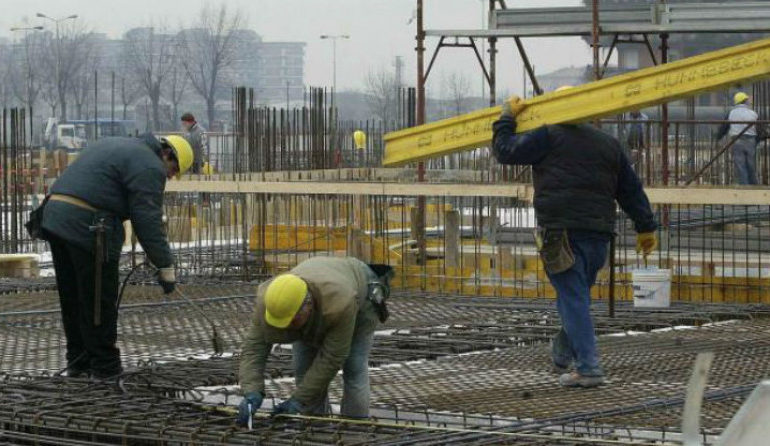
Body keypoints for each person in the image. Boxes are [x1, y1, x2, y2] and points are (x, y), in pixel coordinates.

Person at [491, 92, 658, 388]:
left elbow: (505, 151)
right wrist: (646, 226)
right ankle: (563, 353)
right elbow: (631, 190)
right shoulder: (609, 144)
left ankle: (589, 368)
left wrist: (506, 118)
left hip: (561, 232)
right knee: (576, 295)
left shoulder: (549, 135)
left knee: (573, 298)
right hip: (599, 235)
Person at [39, 134, 194, 379]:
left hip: (55, 217)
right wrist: (165, 265)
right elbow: (147, 222)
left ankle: (78, 362)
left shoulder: (116, 144)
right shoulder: (150, 165)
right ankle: (104, 366)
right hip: (88, 226)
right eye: (173, 170)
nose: (170, 176)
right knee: (99, 299)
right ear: (167, 154)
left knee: (74, 297)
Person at [237, 257, 393, 425]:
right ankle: (316, 428)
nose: (287, 327)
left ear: (307, 305)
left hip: (362, 295)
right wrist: (252, 391)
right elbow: (253, 349)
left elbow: (332, 358)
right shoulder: (272, 303)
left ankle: (355, 429)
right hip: (320, 297)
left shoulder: (340, 302)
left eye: (292, 322)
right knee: (304, 369)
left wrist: (298, 400)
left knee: (354, 367)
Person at [716, 92, 759, 185]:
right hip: (751, 140)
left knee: (740, 164)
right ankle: (754, 185)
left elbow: (724, 127)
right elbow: (759, 128)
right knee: (751, 164)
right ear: (745, 101)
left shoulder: (731, 113)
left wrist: (718, 137)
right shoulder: (753, 113)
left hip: (737, 140)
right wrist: (757, 140)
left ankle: (744, 185)